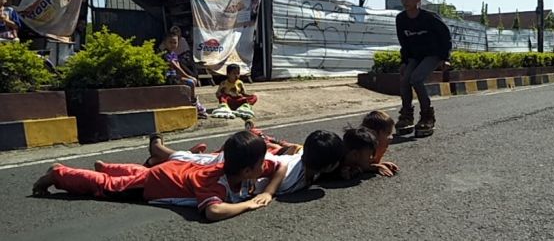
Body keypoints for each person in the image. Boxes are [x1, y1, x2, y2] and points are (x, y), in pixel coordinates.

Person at [32, 131, 288, 222]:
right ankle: (59, 173)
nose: (263, 165)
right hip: (159, 182)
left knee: (139, 173)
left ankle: (108, 165)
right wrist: (248, 203)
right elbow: (214, 212)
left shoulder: (245, 167)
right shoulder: (215, 183)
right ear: (245, 171)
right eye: (259, 164)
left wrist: (268, 192)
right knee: (109, 188)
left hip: (174, 171)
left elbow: (280, 168)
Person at [102, 129, 345, 200]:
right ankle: (158, 149)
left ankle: (156, 159)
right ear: (328, 165)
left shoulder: (309, 164)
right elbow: (279, 166)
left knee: (189, 161)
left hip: (254, 163)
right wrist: (268, 192)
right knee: (188, 162)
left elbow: (294, 151)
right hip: (243, 165)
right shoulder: (292, 176)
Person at [394, 0, 452, 138]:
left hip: (433, 54)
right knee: (405, 80)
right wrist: (404, 62)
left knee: (416, 79)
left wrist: (445, 58)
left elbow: (445, 36)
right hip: (415, 56)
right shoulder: (401, 19)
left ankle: (427, 116)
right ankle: (406, 115)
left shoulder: (429, 17)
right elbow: (404, 42)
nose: (406, 0)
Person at [161, 33, 207, 119]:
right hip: (169, 77)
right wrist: (188, 76)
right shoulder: (166, 54)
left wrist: (186, 76)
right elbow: (177, 68)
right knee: (191, 82)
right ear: (165, 43)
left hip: (175, 76)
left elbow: (178, 68)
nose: (173, 45)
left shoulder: (174, 54)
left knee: (193, 80)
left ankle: (191, 100)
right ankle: (193, 102)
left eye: (175, 42)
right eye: (170, 42)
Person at [360, 110, 399, 177]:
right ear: (374, 135)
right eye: (388, 133)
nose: (391, 137)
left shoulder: (375, 149)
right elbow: (357, 165)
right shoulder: (360, 150)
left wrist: (380, 163)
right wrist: (374, 167)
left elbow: (373, 161)